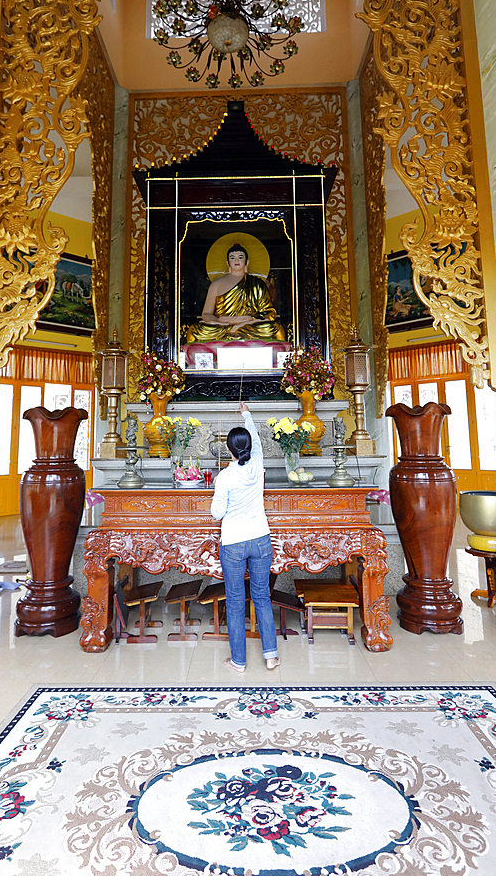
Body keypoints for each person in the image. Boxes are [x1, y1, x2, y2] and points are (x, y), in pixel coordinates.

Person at [210, 401, 280, 672]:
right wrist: (246, 414)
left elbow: (217, 514)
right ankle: (271, 657)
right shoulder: (258, 464)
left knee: (236, 601)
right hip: (261, 539)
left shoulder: (225, 477)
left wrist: (218, 487)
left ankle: (238, 661)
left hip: (234, 543)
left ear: (228, 449)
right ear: (249, 447)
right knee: (262, 597)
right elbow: (258, 441)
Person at [185, 243, 286, 343]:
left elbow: (269, 313)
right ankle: (235, 330)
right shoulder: (216, 284)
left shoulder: (258, 284)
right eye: (232, 258)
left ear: (247, 262)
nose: (236, 260)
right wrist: (219, 321)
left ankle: (236, 330)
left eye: (240, 257)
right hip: (222, 326)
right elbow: (206, 314)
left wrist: (250, 319)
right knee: (194, 330)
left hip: (249, 324)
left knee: (276, 329)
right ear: (227, 263)